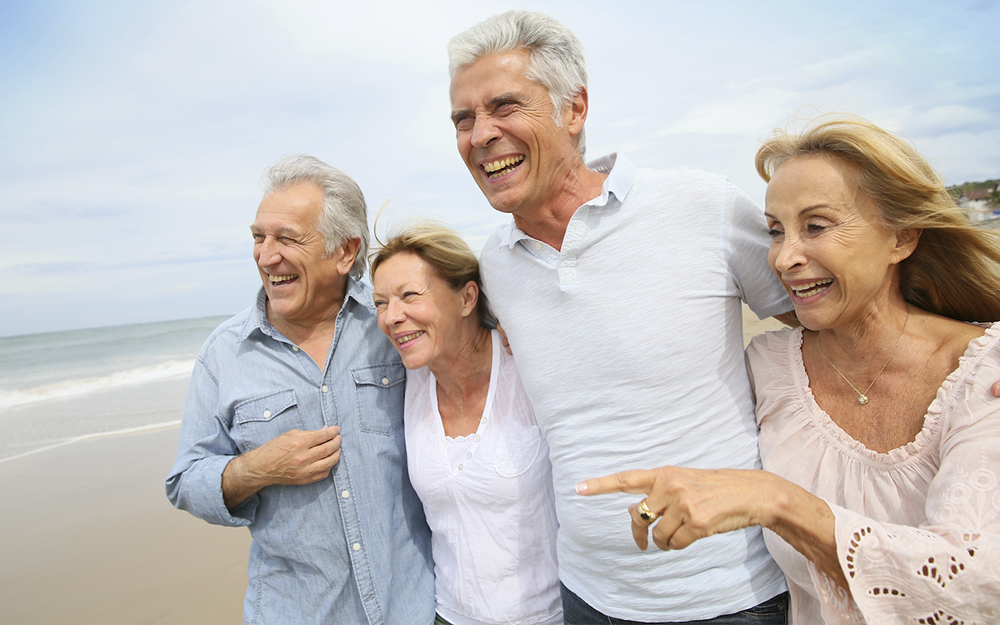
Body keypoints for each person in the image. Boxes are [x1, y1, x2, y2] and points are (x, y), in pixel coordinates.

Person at [577, 116, 1000, 624]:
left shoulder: (982, 375)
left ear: (901, 238)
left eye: (816, 226)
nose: (783, 257)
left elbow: (969, 583)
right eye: (775, 231)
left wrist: (776, 502)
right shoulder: (772, 368)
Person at [448, 10, 791, 624]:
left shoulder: (699, 205)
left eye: (505, 107)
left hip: (729, 595)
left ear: (573, 109)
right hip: (584, 595)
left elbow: (828, 324)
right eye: (464, 119)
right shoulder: (493, 267)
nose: (480, 135)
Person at [165, 155, 434, 625]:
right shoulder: (223, 354)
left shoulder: (394, 327)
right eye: (258, 237)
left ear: (345, 252)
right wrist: (254, 469)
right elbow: (186, 481)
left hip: (416, 607)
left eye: (287, 238)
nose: (266, 256)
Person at [369, 221, 562, 625]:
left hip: (552, 615)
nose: (392, 317)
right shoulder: (406, 383)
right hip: (449, 616)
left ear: (467, 297)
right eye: (381, 303)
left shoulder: (529, 370)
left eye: (409, 296)